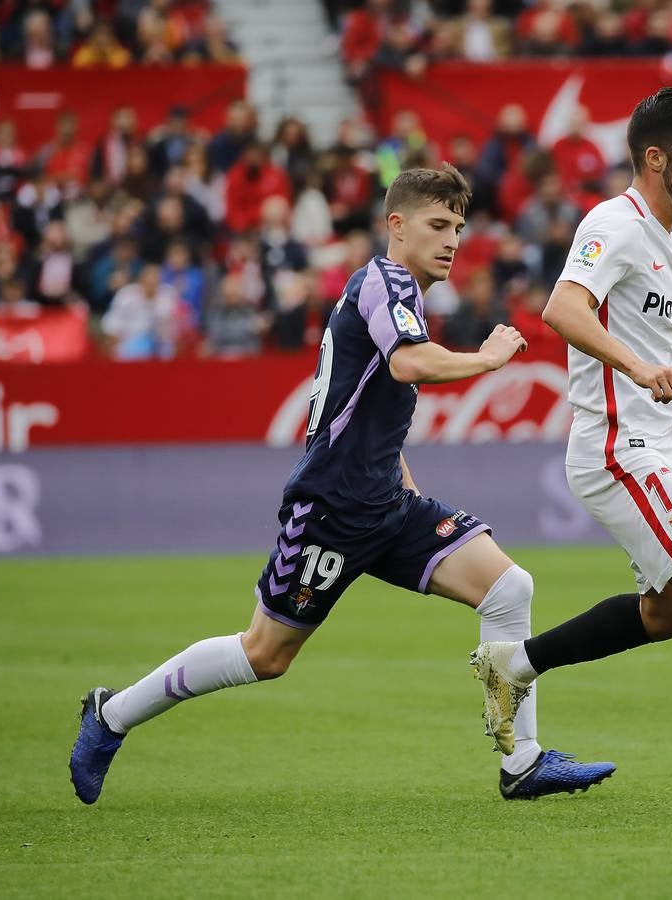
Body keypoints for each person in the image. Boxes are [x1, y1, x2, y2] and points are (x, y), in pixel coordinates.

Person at [69, 165, 614, 805]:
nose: (453, 241)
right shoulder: (382, 283)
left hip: (386, 503)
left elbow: (375, 406)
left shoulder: (400, 293)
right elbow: (409, 363)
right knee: (265, 653)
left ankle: (522, 762)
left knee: (507, 587)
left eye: (459, 228)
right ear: (397, 225)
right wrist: (489, 358)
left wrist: (402, 484)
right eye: (438, 225)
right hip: (331, 510)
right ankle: (110, 716)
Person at [467, 88, 672, 816]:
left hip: (651, 443)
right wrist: (638, 369)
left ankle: (513, 664)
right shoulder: (613, 223)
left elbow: (657, 368)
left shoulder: (669, 248)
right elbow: (562, 309)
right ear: (655, 157)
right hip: (619, 448)